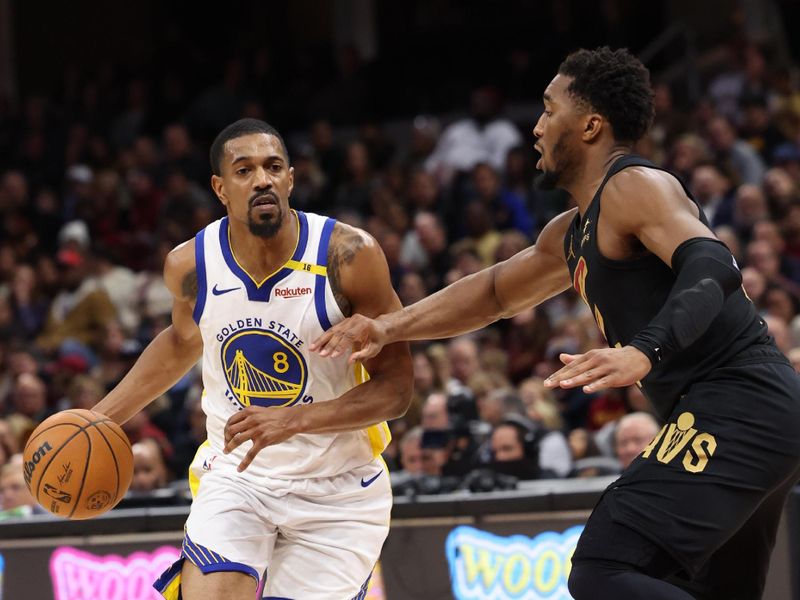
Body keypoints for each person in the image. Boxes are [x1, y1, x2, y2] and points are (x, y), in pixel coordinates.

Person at [311, 48, 800, 600]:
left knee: (602, 566)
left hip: (738, 403)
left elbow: (714, 265)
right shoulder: (572, 233)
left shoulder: (635, 186)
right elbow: (493, 292)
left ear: (591, 125)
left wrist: (645, 349)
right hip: (746, 411)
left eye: (548, 110)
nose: (537, 127)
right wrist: (389, 327)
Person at [93, 118, 413, 600]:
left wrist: (297, 419)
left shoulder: (348, 256)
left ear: (290, 179)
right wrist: (98, 420)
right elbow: (182, 342)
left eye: (273, 167)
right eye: (244, 170)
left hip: (338, 487)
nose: (262, 179)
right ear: (220, 188)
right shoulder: (190, 265)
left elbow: (396, 389)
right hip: (239, 474)